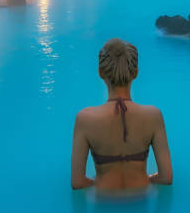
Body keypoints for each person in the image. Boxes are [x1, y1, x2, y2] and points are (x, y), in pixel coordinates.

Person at [71, 38, 172, 191]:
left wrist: (102, 185)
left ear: (100, 72)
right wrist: (144, 181)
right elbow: (166, 178)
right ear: (136, 73)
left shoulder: (85, 119)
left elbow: (77, 183)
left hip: (103, 199)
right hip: (141, 197)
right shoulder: (153, 115)